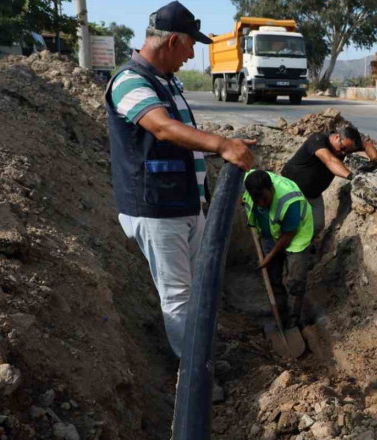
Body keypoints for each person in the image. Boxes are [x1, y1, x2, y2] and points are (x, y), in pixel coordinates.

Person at [105, 1, 255, 357]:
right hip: (156, 209)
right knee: (177, 297)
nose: (192, 55)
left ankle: (202, 349)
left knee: (199, 285)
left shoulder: (166, 81)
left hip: (185, 203)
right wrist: (221, 145)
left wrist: (225, 144)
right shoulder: (130, 81)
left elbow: (184, 132)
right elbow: (162, 127)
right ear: (173, 41)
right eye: (191, 46)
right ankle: (194, 376)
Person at [281, 124, 377, 238]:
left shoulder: (347, 144)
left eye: (348, 152)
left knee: (317, 225)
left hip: (312, 195)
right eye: (343, 149)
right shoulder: (317, 140)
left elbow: (366, 145)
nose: (344, 153)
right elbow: (330, 160)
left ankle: (299, 245)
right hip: (290, 188)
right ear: (337, 137)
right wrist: (352, 177)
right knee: (286, 222)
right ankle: (281, 247)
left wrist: (375, 161)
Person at [242, 170, 313, 327]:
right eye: (256, 200)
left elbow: (288, 234)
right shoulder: (247, 180)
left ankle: (295, 320)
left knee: (296, 280)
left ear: (271, 188)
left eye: (265, 199)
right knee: (273, 277)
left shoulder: (290, 199)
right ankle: (281, 318)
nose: (261, 203)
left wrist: (269, 256)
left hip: (296, 235)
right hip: (269, 235)